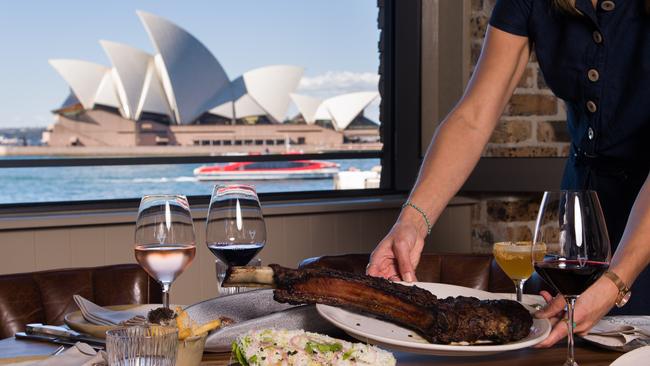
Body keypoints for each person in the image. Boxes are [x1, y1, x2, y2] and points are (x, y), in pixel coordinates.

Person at [367, 0, 650, 348]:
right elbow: (473, 118)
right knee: (578, 344)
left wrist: (616, 282)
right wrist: (411, 223)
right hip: (587, 214)